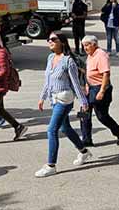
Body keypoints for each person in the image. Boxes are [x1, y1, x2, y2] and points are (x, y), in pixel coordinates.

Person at [35, 32, 93, 177]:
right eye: (49, 39)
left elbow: (75, 83)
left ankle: (51, 165)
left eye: (53, 39)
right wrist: (42, 97)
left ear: (62, 42)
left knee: (51, 130)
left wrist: (84, 101)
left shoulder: (68, 61)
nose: (50, 41)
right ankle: (84, 152)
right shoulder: (50, 58)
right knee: (65, 128)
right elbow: (48, 81)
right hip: (53, 98)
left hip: (65, 99)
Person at [79, 35, 119, 146]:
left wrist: (102, 91)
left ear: (94, 44)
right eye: (84, 46)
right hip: (90, 87)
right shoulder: (90, 55)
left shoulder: (101, 55)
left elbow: (106, 73)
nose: (85, 48)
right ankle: (86, 139)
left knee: (102, 116)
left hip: (100, 88)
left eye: (87, 45)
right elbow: (88, 72)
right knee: (83, 113)